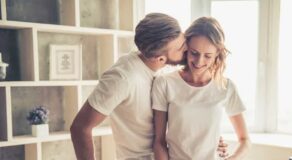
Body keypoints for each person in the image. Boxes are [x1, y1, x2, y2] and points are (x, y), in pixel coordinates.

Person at [70, 13, 228, 160]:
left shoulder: (160, 65)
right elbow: (80, 128)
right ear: (160, 59)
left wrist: (206, 138)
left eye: (183, 39)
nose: (187, 48)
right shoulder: (122, 78)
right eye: (181, 48)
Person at [152, 17, 251, 160]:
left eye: (208, 56)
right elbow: (159, 142)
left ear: (217, 53)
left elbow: (245, 140)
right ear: (186, 48)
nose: (199, 62)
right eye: (194, 53)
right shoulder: (164, 83)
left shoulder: (226, 87)